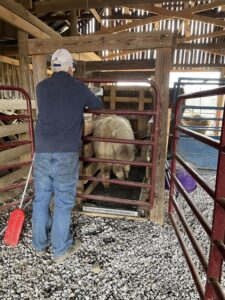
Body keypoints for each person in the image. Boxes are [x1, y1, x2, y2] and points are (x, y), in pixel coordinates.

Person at [32, 48, 103, 263]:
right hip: (66, 152)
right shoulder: (78, 87)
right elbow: (98, 106)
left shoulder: (41, 87)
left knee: (41, 199)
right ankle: (60, 249)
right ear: (71, 68)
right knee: (63, 202)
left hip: (42, 151)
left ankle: (38, 245)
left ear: (52, 68)